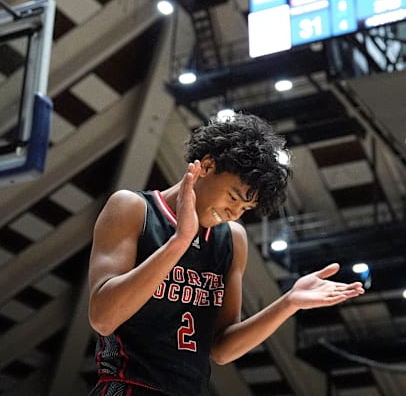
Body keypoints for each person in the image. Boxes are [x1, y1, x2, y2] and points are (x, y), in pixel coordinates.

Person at [87, 113, 365, 395]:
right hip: (128, 387)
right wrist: (180, 242)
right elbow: (103, 318)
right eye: (233, 197)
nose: (234, 212)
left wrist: (288, 303)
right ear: (206, 166)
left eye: (245, 208)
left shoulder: (232, 239)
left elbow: (221, 349)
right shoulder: (133, 208)